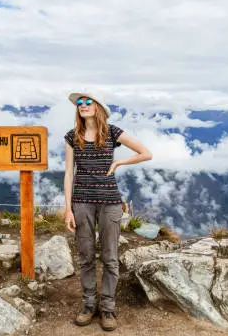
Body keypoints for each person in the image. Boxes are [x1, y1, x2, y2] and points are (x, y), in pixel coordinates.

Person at [63, 91, 152, 331]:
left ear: (98, 106)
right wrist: (68, 209)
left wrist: (120, 162)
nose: (82, 105)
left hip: (110, 202)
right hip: (81, 202)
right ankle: (89, 305)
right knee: (86, 256)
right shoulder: (72, 137)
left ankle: (108, 308)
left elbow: (146, 153)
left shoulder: (113, 132)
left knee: (110, 258)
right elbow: (69, 173)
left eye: (87, 101)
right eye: (79, 103)